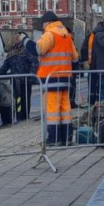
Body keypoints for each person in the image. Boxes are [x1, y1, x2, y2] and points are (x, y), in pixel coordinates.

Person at [36, 11, 79, 146]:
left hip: (51, 78)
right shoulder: (67, 36)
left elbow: (39, 49)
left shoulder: (50, 34)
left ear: (48, 23)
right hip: (65, 78)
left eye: (43, 25)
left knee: (52, 110)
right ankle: (67, 138)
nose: (43, 28)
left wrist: (25, 41)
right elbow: (75, 57)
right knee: (65, 109)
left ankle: (54, 139)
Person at [0, 39, 38, 120]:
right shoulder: (26, 53)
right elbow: (35, 63)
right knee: (25, 99)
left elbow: (3, 69)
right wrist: (31, 74)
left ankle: (20, 117)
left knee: (18, 99)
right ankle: (25, 116)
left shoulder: (11, 55)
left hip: (17, 81)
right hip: (25, 81)